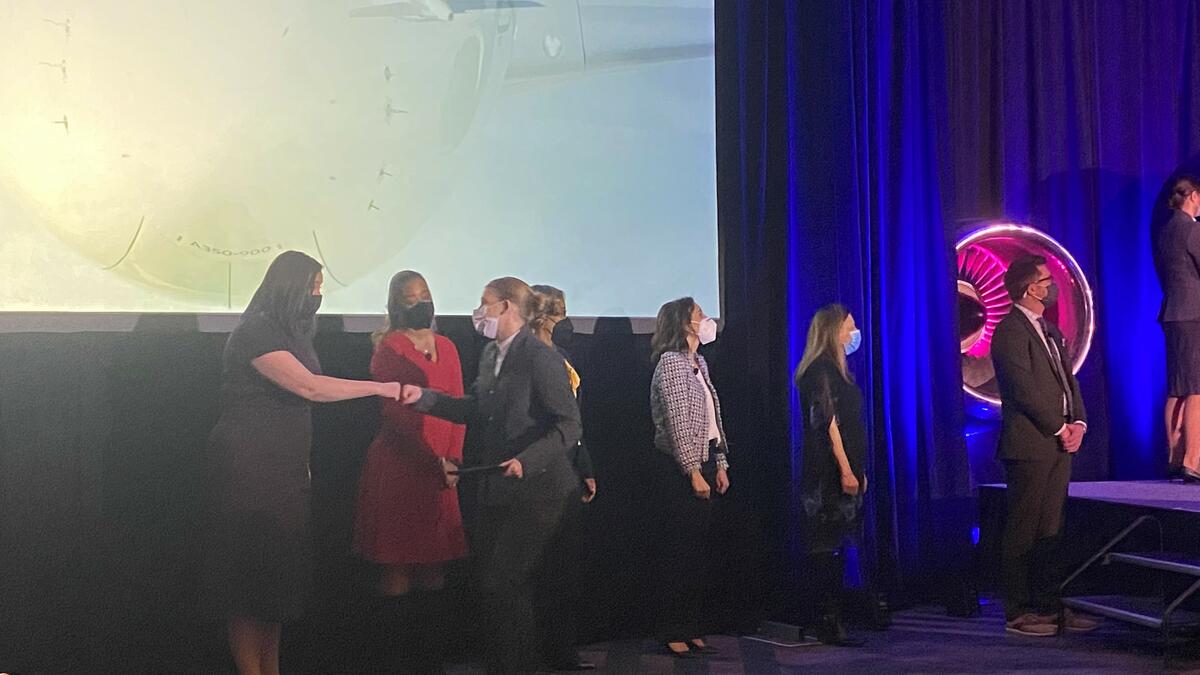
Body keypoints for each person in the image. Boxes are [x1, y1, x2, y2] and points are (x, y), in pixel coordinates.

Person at [202, 251, 402, 675]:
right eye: (313, 287)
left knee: (276, 584)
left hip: (286, 470)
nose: (318, 295)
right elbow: (310, 388)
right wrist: (379, 388)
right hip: (250, 469)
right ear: (291, 286)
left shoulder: (291, 332)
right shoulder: (255, 332)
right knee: (249, 579)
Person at [400, 277, 582, 675]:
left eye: (485, 304)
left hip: (539, 491)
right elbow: (476, 408)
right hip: (498, 489)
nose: (478, 312)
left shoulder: (539, 357)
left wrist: (526, 460)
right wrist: (425, 399)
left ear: (507, 308)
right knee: (501, 587)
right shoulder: (489, 355)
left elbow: (569, 425)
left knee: (504, 582)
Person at [352, 270, 466, 673]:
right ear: (396, 303)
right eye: (410, 297)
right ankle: (397, 663)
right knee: (398, 566)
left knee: (435, 568)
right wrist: (431, 460)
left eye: (426, 295)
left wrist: (453, 460)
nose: (420, 303)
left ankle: (431, 662)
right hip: (401, 468)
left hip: (442, 472)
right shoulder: (389, 347)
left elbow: (458, 407)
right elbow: (396, 412)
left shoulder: (449, 346)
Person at [990, 254, 1097, 637]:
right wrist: (1058, 427)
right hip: (1029, 444)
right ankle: (1018, 612)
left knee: (1051, 529)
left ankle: (1050, 606)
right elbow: (1023, 391)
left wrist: (1079, 423)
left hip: (1058, 446)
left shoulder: (1051, 331)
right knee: (1024, 528)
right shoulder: (1009, 331)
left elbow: (1071, 383)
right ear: (1029, 287)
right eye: (1046, 280)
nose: (1051, 286)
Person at [647, 297, 730, 659]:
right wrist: (693, 471)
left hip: (707, 460)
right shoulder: (671, 364)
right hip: (680, 468)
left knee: (698, 552)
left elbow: (713, 419)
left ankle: (692, 625)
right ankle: (672, 629)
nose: (705, 318)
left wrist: (721, 462)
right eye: (699, 314)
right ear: (684, 324)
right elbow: (679, 422)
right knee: (679, 552)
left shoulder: (700, 363)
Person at [528, 284, 596, 671]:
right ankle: (536, 649)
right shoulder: (526, 358)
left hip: (568, 468)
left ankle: (562, 648)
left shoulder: (565, 358)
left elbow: (575, 421)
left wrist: (585, 466)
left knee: (565, 566)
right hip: (539, 470)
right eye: (562, 312)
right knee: (539, 564)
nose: (566, 319)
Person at [792, 304, 867, 647]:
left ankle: (834, 614)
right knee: (825, 544)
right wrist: (846, 469)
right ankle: (826, 617)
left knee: (838, 545)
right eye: (849, 327)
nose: (854, 333)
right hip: (826, 474)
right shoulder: (819, 371)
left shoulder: (840, 371)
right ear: (834, 330)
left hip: (846, 468)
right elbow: (828, 424)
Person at [1153, 175, 1200, 481]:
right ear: (1193, 196)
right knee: (1197, 388)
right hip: (1193, 314)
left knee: (1177, 388)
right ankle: (1194, 460)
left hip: (1173, 314)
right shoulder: (1191, 228)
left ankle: (1174, 454)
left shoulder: (1166, 229)